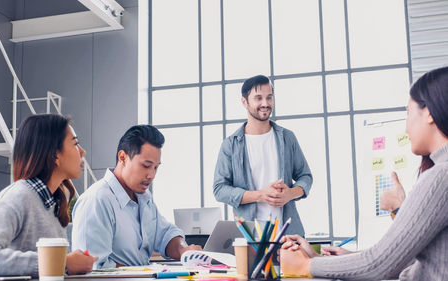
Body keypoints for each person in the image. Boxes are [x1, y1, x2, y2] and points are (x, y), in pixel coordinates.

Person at [279, 66, 448, 280]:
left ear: (429, 114)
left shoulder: (440, 177)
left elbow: (380, 263)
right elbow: (416, 257)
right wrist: (321, 260)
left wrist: (306, 266)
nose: (406, 128)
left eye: (408, 112)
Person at [0, 114, 98, 279]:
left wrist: (67, 264)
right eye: (75, 144)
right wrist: (61, 263)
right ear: (55, 155)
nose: (83, 151)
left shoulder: (53, 203)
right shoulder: (18, 197)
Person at [72, 125, 201, 268]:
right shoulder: (97, 200)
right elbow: (95, 267)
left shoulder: (144, 198)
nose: (151, 175)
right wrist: (144, 273)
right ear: (123, 158)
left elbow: (165, 233)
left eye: (156, 167)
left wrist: (184, 250)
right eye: (146, 166)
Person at [213, 75, 312, 235]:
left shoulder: (287, 138)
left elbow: (305, 176)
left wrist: (290, 194)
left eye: (269, 97)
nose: (265, 104)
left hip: (288, 236)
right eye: (258, 98)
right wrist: (260, 195)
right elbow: (220, 189)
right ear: (244, 102)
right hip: (249, 237)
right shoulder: (230, 145)